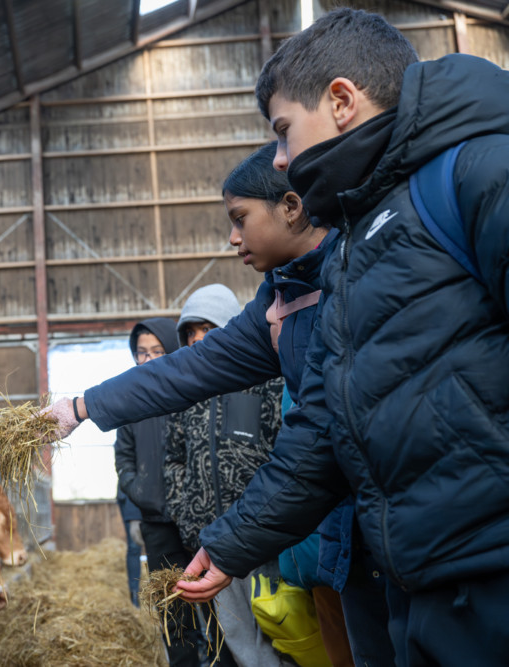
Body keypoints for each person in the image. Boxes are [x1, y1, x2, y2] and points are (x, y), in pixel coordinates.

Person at [171, 9, 509, 666]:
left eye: (283, 131)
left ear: (342, 101)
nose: (279, 158)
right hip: (421, 583)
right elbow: (324, 425)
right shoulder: (353, 251)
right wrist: (233, 542)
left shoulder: (479, 173)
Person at [41, 140, 385, 661]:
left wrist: (230, 544)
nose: (232, 237)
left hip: (384, 526)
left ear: (291, 207)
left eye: (240, 218)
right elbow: (188, 370)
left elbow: (310, 444)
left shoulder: (359, 276)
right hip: (336, 534)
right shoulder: (279, 302)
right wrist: (81, 406)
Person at [162, 284, 286, 667]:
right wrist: (186, 512)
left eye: (207, 328)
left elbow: (283, 447)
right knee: (229, 646)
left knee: (281, 636)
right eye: (190, 332)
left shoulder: (266, 380)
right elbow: (173, 459)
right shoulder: (185, 394)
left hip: (263, 541)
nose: (198, 339)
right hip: (210, 542)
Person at [113, 316, 204, 666]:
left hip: (197, 518)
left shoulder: (192, 391)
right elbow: (123, 456)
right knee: (172, 607)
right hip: (156, 519)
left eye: (157, 351)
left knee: (212, 602)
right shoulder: (130, 402)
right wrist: (138, 491)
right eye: (142, 352)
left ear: (173, 350)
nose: (148, 359)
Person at [116, 486, 144, 607]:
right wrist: (134, 516)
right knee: (134, 546)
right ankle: (134, 596)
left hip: (148, 494)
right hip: (131, 496)